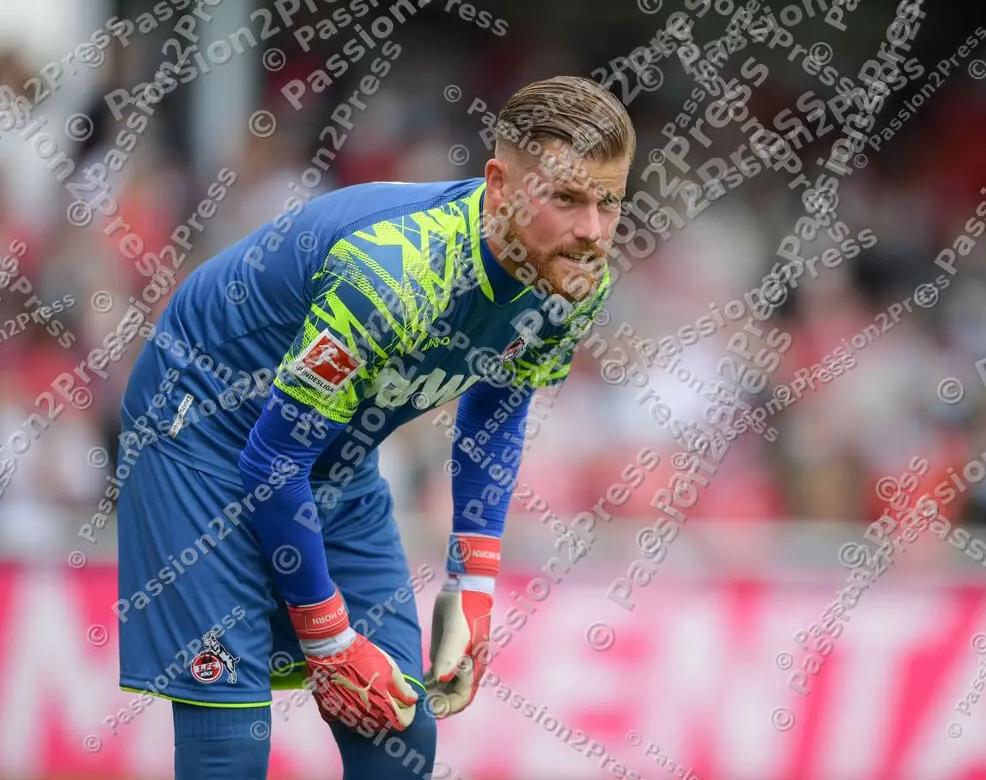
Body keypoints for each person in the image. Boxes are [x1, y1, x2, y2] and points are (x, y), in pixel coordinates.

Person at [115, 75, 634, 779]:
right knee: (231, 744)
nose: (593, 232)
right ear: (500, 184)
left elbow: (499, 401)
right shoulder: (395, 275)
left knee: (400, 733)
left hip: (327, 443)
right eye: (568, 198)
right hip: (202, 429)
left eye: (610, 203)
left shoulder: (577, 275)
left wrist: (472, 586)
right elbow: (270, 462)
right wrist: (327, 642)